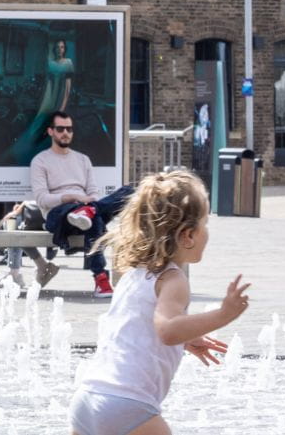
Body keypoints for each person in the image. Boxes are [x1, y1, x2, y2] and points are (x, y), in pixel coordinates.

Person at [69, 170, 249, 435]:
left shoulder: (133, 274)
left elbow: (133, 325)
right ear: (188, 235)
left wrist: (187, 340)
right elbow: (167, 330)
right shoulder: (172, 279)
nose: (207, 232)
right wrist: (224, 314)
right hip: (127, 405)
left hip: (87, 399)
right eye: (205, 223)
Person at [31, 110, 133, 297]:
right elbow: (42, 199)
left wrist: (88, 202)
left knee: (129, 192)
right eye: (60, 129)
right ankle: (100, 280)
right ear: (51, 131)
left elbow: (93, 192)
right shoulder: (40, 161)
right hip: (58, 215)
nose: (65, 133)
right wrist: (70, 197)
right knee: (94, 217)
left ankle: (87, 213)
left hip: (85, 212)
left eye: (69, 129)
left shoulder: (82, 159)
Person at [7, 38, 76, 165]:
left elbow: (67, 88)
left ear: (64, 49)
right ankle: (28, 151)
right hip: (50, 95)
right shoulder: (51, 64)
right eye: (57, 47)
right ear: (54, 49)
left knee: (55, 125)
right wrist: (43, 102)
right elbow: (48, 84)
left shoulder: (68, 63)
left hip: (61, 96)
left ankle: (51, 156)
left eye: (61, 47)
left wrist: (62, 107)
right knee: (40, 121)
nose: (59, 49)